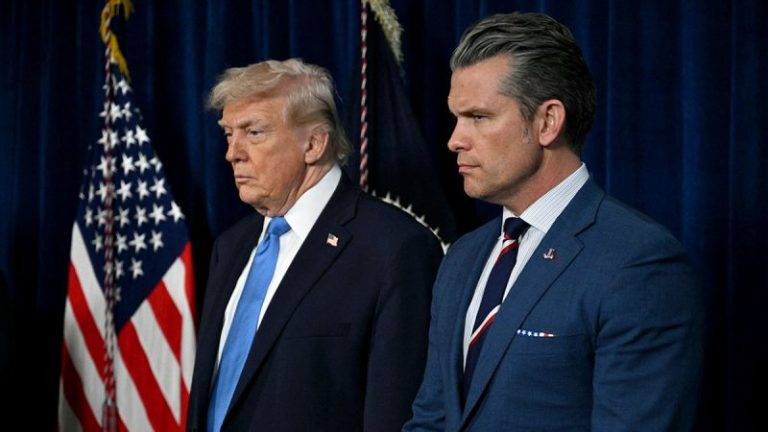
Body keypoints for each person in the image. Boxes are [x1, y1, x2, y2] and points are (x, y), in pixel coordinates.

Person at [405, 12, 703, 431]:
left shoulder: (638, 263)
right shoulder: (462, 258)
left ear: (547, 122)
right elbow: (432, 419)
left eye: (479, 117)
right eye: (457, 118)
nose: (454, 140)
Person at [187, 58, 443, 431]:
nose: (232, 152)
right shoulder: (231, 246)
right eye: (229, 133)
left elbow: (395, 412)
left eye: (253, 132)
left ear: (313, 143)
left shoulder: (394, 248)